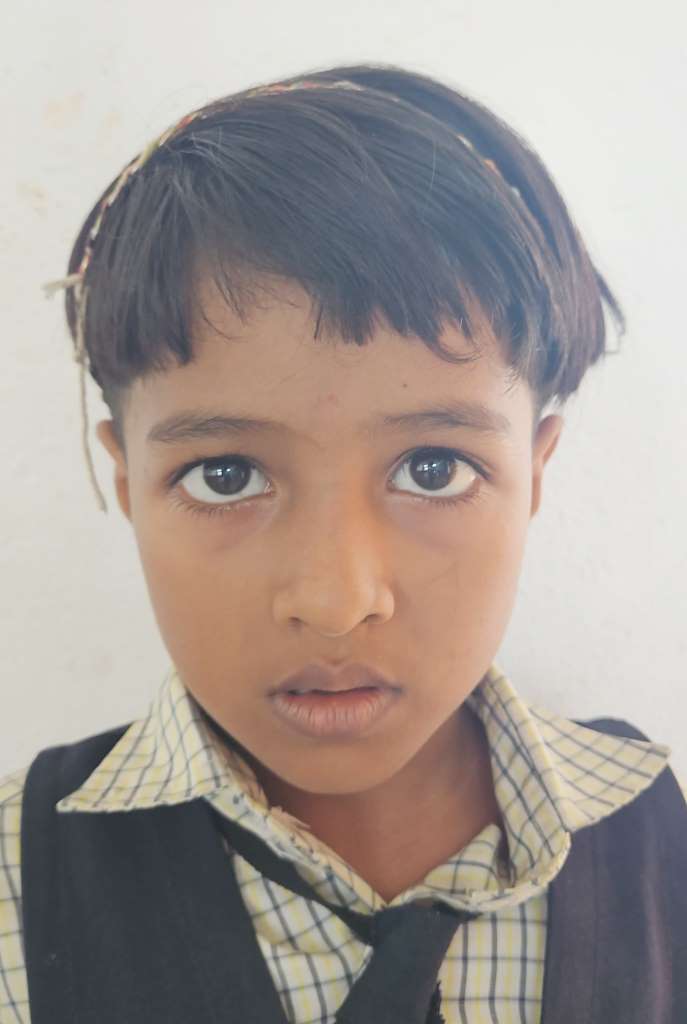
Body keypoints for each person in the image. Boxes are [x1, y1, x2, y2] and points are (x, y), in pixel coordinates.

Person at [1, 63, 685, 1024]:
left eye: (434, 469)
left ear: (535, 470)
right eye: (225, 476)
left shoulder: (664, 833)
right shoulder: (17, 880)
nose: (335, 601)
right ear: (125, 480)